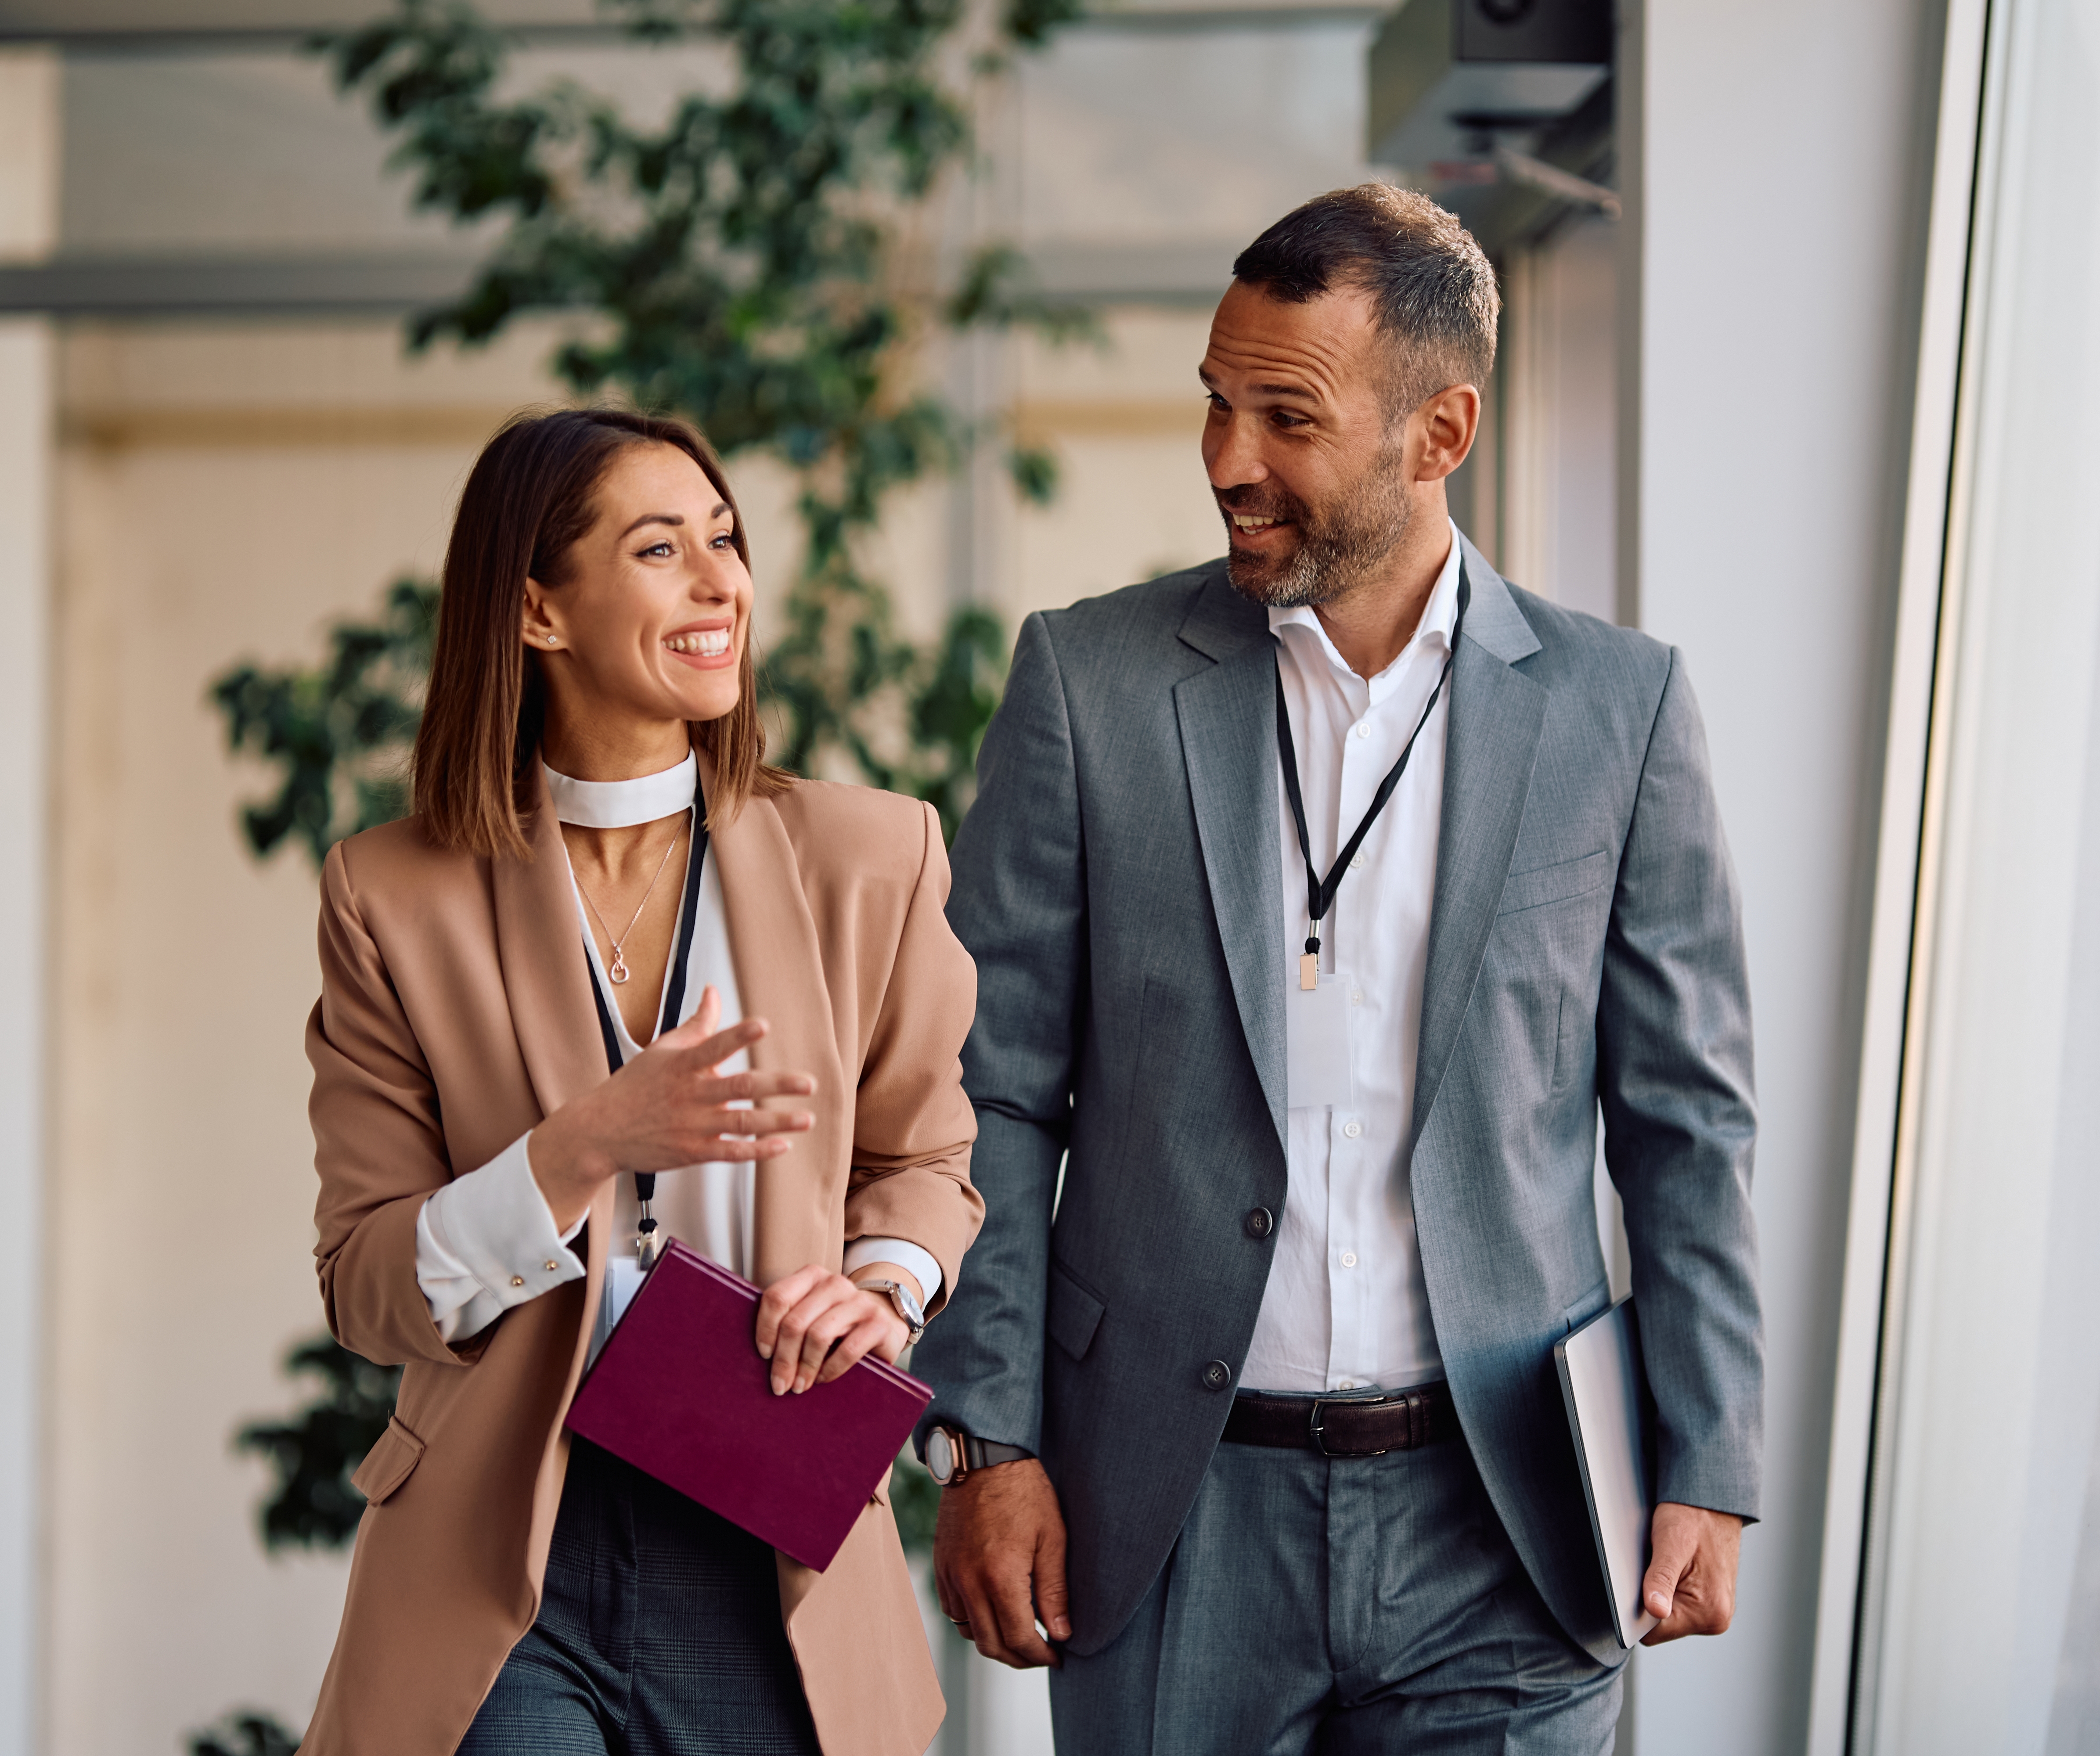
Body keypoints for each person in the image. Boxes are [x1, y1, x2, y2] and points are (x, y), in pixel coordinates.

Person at [911, 185, 1763, 1752]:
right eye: (1218, 406)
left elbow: (1686, 1118)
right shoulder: (1087, 686)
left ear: (1441, 435)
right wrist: (988, 1442)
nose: (1230, 461)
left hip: (1504, 1525)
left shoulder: (1619, 711)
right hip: (1167, 1511)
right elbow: (990, 1093)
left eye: (1286, 416)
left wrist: (1709, 1451)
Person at [298, 408, 981, 1756]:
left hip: (765, 1534)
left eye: (726, 541)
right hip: (505, 1553)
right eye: (662, 549)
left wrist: (885, 1289)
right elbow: (366, 1286)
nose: (724, 582)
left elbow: (927, 1158)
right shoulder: (392, 894)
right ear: (540, 610)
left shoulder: (871, 857)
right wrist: (575, 1151)